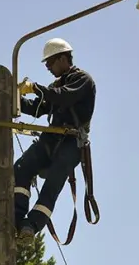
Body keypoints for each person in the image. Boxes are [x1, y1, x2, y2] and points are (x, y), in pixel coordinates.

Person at [14, 37, 96, 238]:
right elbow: (38, 108)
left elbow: (63, 96)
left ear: (62, 58)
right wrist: (14, 97)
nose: (48, 67)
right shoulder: (55, 85)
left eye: (50, 62)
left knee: (52, 184)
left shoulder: (83, 80)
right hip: (51, 139)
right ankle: (14, 217)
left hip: (71, 143)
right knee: (21, 168)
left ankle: (31, 225)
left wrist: (35, 88)